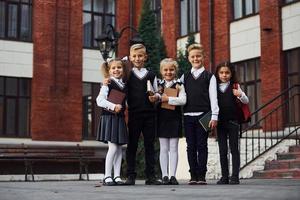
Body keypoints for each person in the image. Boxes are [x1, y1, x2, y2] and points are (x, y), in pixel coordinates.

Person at [180, 43, 219, 185]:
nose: (196, 58)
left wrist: (214, 116)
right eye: (193, 56)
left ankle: (201, 175)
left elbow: (213, 98)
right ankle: (193, 175)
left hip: (204, 116)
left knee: (202, 145)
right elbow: (174, 90)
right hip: (188, 116)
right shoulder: (184, 77)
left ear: (203, 57)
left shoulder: (210, 77)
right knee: (191, 146)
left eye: (198, 56)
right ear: (189, 58)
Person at [125, 43, 161, 185]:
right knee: (132, 145)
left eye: (140, 56)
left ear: (145, 57)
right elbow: (123, 91)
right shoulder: (127, 74)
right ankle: (130, 175)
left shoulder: (151, 74)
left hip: (150, 115)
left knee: (149, 145)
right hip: (134, 114)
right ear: (130, 57)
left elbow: (157, 92)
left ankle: (150, 176)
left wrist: (156, 97)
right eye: (134, 56)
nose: (137, 58)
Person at [215, 61, 249, 185]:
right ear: (218, 74)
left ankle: (235, 176)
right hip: (220, 123)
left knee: (234, 149)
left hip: (233, 122)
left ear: (231, 74)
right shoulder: (215, 87)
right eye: (222, 73)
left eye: (227, 73)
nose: (224, 75)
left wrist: (240, 94)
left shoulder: (235, 86)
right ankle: (224, 176)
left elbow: (246, 100)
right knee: (222, 150)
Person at [96, 58, 128, 186]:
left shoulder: (124, 85)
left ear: (123, 69)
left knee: (119, 148)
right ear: (109, 70)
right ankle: (107, 175)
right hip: (109, 118)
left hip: (119, 118)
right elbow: (99, 100)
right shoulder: (107, 84)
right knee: (113, 147)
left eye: (119, 67)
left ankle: (117, 176)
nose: (116, 70)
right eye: (113, 68)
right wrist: (113, 106)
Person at [156, 58, 186, 185]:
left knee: (173, 148)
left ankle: (173, 175)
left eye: (171, 69)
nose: (168, 72)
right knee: (163, 148)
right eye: (166, 70)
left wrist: (167, 98)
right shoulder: (158, 84)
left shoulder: (179, 85)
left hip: (174, 118)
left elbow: (183, 100)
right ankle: (165, 176)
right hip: (161, 118)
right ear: (162, 71)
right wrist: (158, 96)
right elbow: (153, 98)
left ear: (175, 71)